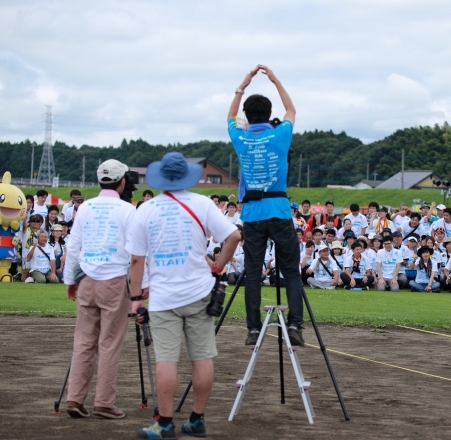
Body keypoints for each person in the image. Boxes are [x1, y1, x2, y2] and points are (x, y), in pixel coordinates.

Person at [127, 152, 240, 438]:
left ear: (161, 178)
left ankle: (165, 423)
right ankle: (197, 419)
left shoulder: (146, 209)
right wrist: (218, 266)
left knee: (167, 359)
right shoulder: (202, 204)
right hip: (200, 290)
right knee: (202, 357)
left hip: (165, 295)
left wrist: (136, 297)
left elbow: (137, 260)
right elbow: (234, 236)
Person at [227, 65, 305, 347]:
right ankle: (296, 325)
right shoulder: (280, 134)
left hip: (252, 213)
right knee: (292, 271)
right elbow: (291, 109)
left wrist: (242, 86)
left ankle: (252, 328)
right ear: (268, 113)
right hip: (280, 210)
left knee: (251, 271)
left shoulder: (241, 136)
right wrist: (274, 79)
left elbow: (229, 117)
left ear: (247, 116)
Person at [63, 159, 137, 420]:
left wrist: (70, 280)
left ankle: (74, 398)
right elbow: (136, 253)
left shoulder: (84, 208)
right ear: (122, 181)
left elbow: (73, 247)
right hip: (114, 281)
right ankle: (104, 402)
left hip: (86, 279)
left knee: (83, 341)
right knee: (109, 343)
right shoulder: (128, 210)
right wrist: (142, 288)